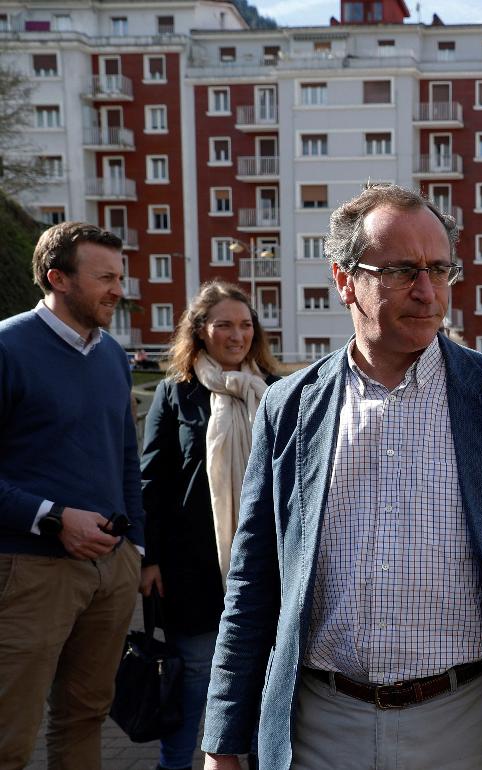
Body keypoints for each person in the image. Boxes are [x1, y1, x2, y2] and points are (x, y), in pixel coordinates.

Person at [200, 184, 482, 770]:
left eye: (439, 268)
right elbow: (254, 577)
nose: (427, 291)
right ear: (343, 279)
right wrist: (223, 736)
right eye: (402, 269)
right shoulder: (291, 406)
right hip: (320, 725)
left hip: (464, 721)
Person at [0, 222, 144, 769]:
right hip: (29, 573)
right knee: (9, 733)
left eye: (120, 277)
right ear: (57, 278)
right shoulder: (7, 348)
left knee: (84, 719)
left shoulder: (111, 355)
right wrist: (52, 518)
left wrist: (137, 547)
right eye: (105, 277)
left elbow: (126, 456)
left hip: (112, 572)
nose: (118, 290)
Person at [139, 280, 280, 770]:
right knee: (195, 678)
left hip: (266, 564)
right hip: (191, 565)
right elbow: (152, 480)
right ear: (201, 331)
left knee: (265, 679)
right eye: (224, 324)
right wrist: (150, 557)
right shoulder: (176, 392)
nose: (236, 335)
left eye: (245, 324)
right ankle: (175, 765)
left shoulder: (278, 391)